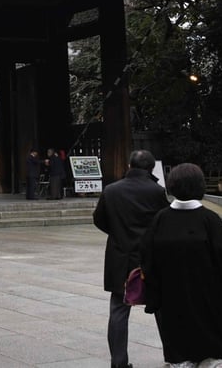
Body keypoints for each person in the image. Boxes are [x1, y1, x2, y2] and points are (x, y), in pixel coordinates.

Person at [140, 163, 222, 367]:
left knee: (178, 343)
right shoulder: (209, 220)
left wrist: (152, 292)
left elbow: (147, 259)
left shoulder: (160, 219)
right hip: (208, 296)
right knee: (211, 344)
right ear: (199, 186)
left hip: (171, 296)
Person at [92, 149, 169, 368]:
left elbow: (99, 220)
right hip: (151, 258)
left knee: (118, 309)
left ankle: (119, 362)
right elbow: (164, 223)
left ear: (129, 166)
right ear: (151, 168)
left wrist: (118, 232)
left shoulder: (111, 190)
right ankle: (172, 357)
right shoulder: (156, 191)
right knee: (162, 308)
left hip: (120, 256)